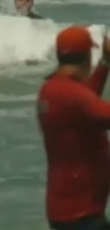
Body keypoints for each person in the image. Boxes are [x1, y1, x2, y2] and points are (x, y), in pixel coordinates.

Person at [36, 26, 110, 230]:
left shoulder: (53, 89)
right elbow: (93, 106)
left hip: (67, 211)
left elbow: (87, 101)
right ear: (87, 56)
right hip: (81, 216)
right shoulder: (71, 95)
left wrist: (105, 62)